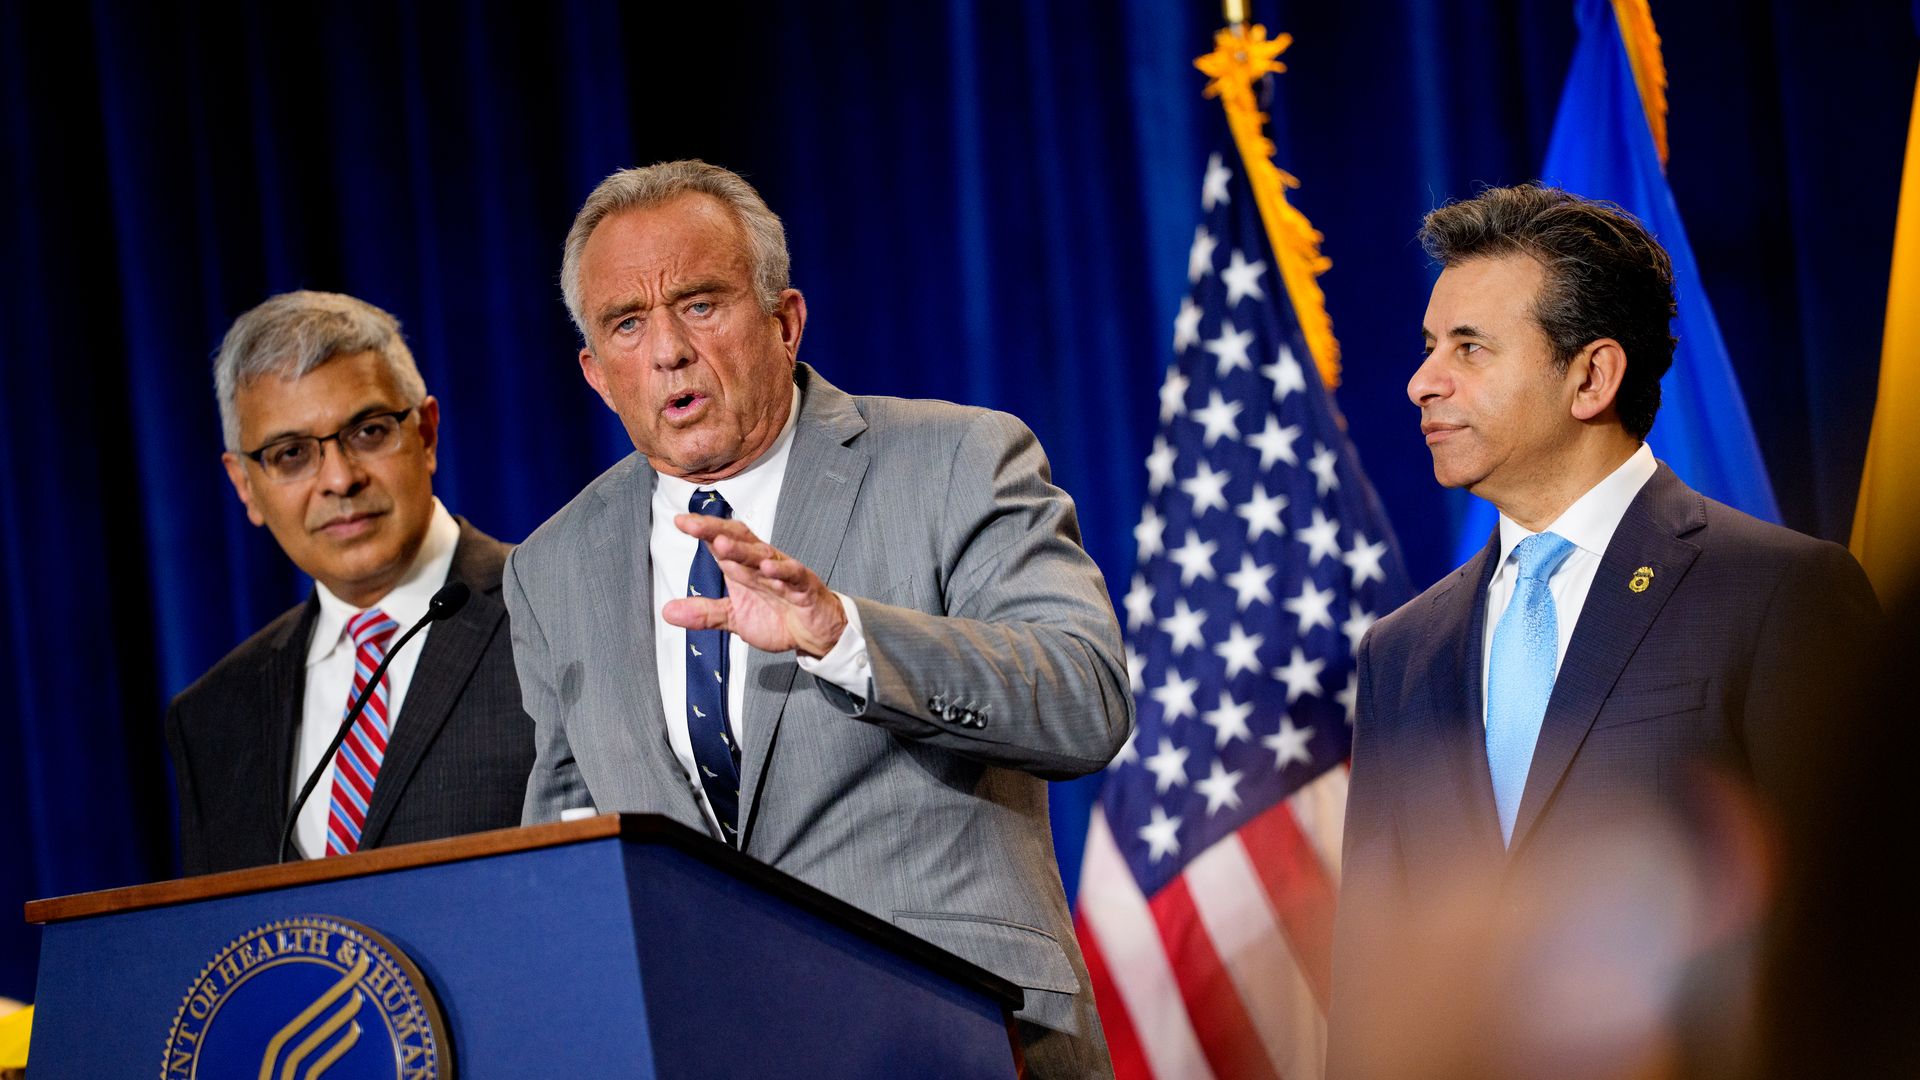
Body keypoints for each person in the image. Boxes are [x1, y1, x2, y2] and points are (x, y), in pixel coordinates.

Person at [505, 161, 1131, 1077]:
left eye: (701, 304)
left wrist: (845, 638)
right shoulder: (549, 566)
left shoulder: (957, 458)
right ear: (597, 374)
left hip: (953, 1036)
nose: (669, 350)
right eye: (628, 324)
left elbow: (1085, 700)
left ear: (784, 320)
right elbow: (566, 844)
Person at [1327, 185, 1880, 1079]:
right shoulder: (1400, 650)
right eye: (1430, 347)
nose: (1422, 382)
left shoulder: (1779, 593)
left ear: (1592, 377)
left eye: (1469, 347)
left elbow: (1859, 935)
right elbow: (1371, 979)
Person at [166, 291, 533, 874]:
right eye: (291, 453)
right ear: (245, 486)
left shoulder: (551, 614)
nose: (339, 479)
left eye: (368, 432)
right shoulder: (213, 718)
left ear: (427, 434)